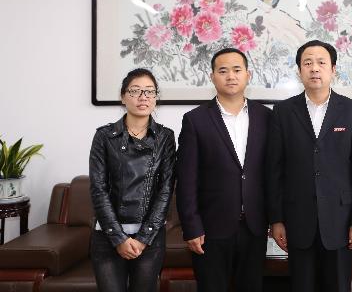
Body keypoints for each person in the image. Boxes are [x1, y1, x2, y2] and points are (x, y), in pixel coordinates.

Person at [267, 39, 352, 292]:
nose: (314, 68)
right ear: (299, 70)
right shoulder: (282, 112)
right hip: (297, 219)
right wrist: (276, 219)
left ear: (333, 69)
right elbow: (274, 170)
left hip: (340, 220)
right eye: (308, 63)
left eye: (321, 62)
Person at [176, 48, 271, 292]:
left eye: (237, 70)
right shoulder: (195, 120)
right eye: (223, 71)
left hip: (255, 226)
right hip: (211, 228)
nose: (231, 76)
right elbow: (186, 179)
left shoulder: (266, 117)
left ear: (248, 75)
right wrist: (191, 226)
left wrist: (276, 219)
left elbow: (273, 172)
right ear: (212, 77)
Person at [89, 68, 176, 292]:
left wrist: (144, 237)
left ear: (155, 97)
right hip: (107, 235)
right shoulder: (104, 136)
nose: (143, 97)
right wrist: (118, 238)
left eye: (149, 91)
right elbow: (98, 189)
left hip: (150, 237)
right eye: (135, 91)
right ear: (123, 96)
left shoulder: (165, 137)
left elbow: (166, 189)